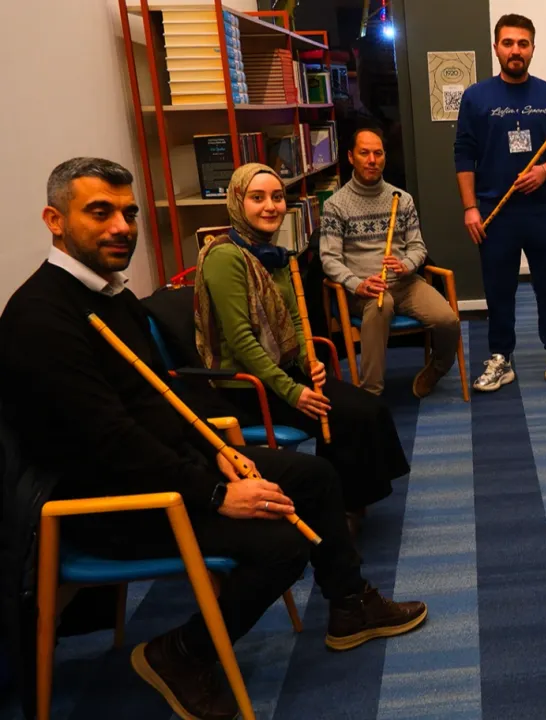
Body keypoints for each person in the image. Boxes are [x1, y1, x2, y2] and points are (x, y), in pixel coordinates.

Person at [0, 158, 427, 720]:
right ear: (54, 220)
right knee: (283, 543)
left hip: (163, 466)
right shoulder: (42, 317)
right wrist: (217, 492)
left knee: (315, 476)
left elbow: (163, 399)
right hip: (107, 502)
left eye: (129, 213)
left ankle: (350, 606)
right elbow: (109, 442)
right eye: (100, 213)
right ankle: (181, 653)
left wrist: (218, 452)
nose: (122, 227)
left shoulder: (110, 295)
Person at [195, 163, 410, 530]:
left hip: (285, 370)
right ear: (237, 202)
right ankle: (338, 510)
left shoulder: (273, 253)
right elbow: (243, 341)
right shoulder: (225, 256)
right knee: (346, 416)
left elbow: (297, 320)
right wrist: (294, 393)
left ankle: (349, 499)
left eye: (277, 197)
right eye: (257, 198)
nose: (270, 206)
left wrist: (309, 360)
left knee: (369, 408)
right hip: (246, 386)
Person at [454, 13, 546, 393]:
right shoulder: (476, 96)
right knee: (499, 291)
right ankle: (500, 358)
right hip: (495, 211)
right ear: (496, 47)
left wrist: (545, 170)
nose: (516, 50)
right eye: (508, 43)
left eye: (523, 44)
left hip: (544, 210)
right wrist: (470, 208)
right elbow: (464, 153)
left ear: (532, 48)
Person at [320, 126, 461, 398]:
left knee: (447, 320)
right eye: (364, 153)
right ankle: (371, 394)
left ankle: (436, 369)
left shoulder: (402, 199)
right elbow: (329, 258)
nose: (372, 160)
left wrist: (407, 264)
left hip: (405, 283)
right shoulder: (336, 205)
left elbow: (417, 247)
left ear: (385, 156)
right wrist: (357, 284)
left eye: (378, 153)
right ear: (351, 157)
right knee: (380, 307)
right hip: (365, 290)